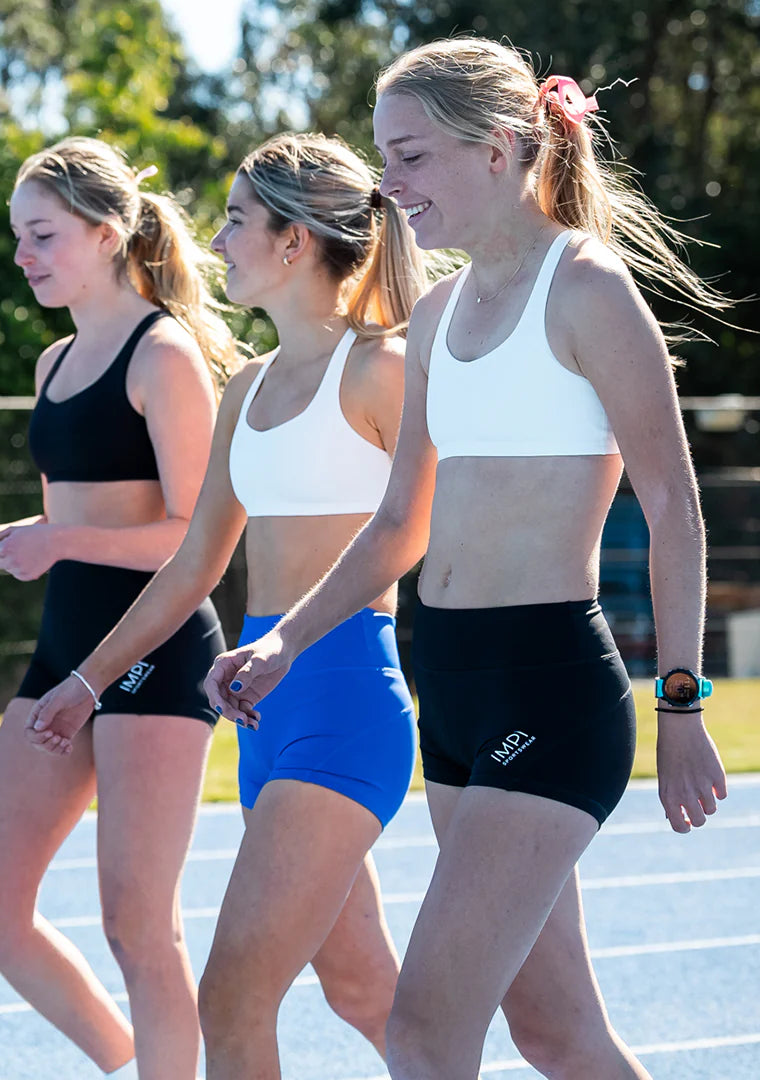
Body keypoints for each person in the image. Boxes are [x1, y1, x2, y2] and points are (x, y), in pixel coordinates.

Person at [207, 39, 731, 1080]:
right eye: (382, 158)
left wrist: (682, 703)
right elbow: (398, 525)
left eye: (410, 157)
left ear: (497, 150)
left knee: (424, 1032)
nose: (388, 185)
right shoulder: (438, 314)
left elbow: (675, 507)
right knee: (557, 1035)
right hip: (447, 685)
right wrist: (286, 643)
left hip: (549, 686)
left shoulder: (588, 289)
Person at [23, 133, 428, 1078]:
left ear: (294, 240)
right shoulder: (245, 388)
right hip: (259, 709)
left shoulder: (383, 370)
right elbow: (191, 566)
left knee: (233, 999)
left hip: (343, 702)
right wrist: (88, 681)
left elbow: (410, 534)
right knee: (363, 990)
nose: (216, 239)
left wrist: (287, 642)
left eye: (237, 219)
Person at [0, 136, 235, 1079]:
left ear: (106, 232)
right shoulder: (53, 361)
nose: (23, 254)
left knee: (138, 924)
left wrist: (57, 541)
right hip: (66, 646)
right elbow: (66, 525)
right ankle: (132, 1059)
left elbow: (193, 539)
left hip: (158, 650)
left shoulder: (163, 354)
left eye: (42, 234)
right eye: (19, 235)